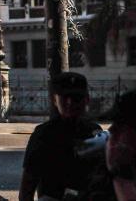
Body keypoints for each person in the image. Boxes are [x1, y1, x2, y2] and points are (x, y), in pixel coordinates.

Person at [19, 72, 102, 201]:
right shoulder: (43, 134)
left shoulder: (95, 132)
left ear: (87, 100)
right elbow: (28, 184)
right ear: (54, 100)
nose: (70, 103)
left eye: (76, 98)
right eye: (65, 97)